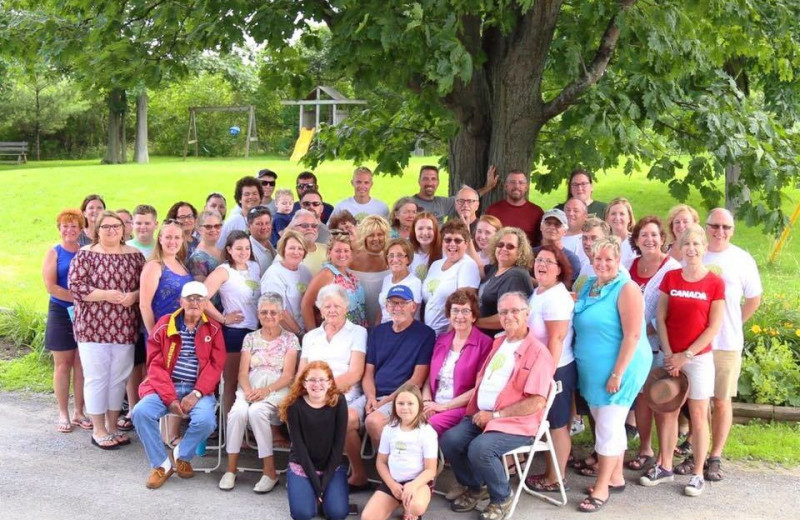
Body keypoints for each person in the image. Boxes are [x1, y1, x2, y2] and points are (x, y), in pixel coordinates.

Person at [441, 292, 554, 520]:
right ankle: (475, 486)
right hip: (483, 415)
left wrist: (495, 415)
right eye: (503, 312)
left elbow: (537, 401)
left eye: (514, 311)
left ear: (527, 313)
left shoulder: (538, 352)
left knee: (480, 450)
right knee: (449, 440)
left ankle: (501, 497)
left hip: (516, 423)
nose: (508, 316)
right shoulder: (499, 342)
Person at [572, 237, 652, 512]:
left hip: (620, 368)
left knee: (607, 425)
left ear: (618, 261)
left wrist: (617, 373)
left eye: (609, 259)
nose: (603, 263)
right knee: (610, 423)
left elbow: (632, 335)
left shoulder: (626, 288)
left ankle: (602, 488)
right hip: (593, 370)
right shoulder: (590, 286)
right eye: (598, 259)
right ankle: (616, 476)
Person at [644, 224, 725, 496]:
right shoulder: (671, 278)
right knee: (666, 413)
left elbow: (713, 327)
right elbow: (661, 318)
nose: (691, 249)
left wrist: (685, 355)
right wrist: (669, 354)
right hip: (669, 356)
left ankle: (698, 473)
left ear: (704, 248)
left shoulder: (715, 282)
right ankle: (664, 466)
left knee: (699, 416)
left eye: (696, 244)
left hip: (697, 358)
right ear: (680, 247)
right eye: (686, 244)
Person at [131, 281, 226, 489]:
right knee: (140, 412)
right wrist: (170, 398)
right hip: (166, 387)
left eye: (199, 298)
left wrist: (197, 393)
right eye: (190, 298)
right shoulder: (165, 325)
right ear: (180, 301)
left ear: (206, 303)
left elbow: (216, 365)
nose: (194, 302)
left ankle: (181, 454)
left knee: (207, 421)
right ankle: (161, 465)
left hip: (198, 390)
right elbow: (155, 365)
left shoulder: (214, 329)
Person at [68, 210, 145, 449]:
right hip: (93, 327)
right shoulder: (86, 255)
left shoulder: (135, 256)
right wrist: (106, 295)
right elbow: (76, 287)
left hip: (124, 326)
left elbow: (147, 286)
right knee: (97, 377)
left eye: (116, 226)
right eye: (106, 227)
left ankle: (113, 426)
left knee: (119, 378)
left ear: (124, 230)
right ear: (96, 230)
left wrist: (133, 296)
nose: (111, 230)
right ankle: (98, 428)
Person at [702, 208, 762, 482]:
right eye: (715, 226)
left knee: (722, 401)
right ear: (706, 226)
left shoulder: (741, 259)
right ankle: (697, 451)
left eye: (726, 227)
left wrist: (734, 322)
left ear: (733, 230)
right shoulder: (695, 252)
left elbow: (753, 299)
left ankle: (715, 455)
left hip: (726, 342)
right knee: (697, 402)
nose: (720, 232)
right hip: (696, 343)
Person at [219, 292, 300, 493]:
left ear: (282, 315)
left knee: (256, 412)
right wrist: (248, 392)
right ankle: (230, 469)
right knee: (237, 412)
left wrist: (266, 391)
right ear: (258, 314)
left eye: (274, 312)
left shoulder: (291, 340)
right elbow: (242, 373)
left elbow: (288, 376)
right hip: (250, 388)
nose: (269, 316)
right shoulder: (250, 338)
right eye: (264, 312)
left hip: (276, 389)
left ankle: (269, 472)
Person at [297, 284, 368, 489]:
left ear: (346, 306)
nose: (332, 310)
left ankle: (358, 473)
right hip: (313, 392)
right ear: (320, 309)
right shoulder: (311, 337)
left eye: (337, 305)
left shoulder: (358, 332)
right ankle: (307, 474)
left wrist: (325, 393)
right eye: (327, 306)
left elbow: (355, 373)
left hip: (347, 393)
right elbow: (302, 373)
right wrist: (308, 393)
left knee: (342, 418)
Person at [626, 216, 681, 473]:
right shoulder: (627, 265)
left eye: (654, 235)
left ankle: (664, 460)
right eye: (643, 235)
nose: (649, 240)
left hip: (662, 346)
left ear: (662, 238)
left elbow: (679, 310)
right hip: (634, 346)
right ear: (636, 240)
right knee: (641, 400)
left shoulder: (673, 269)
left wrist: (653, 328)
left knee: (662, 402)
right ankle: (645, 449)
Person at [132, 219, 194, 434]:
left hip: (182, 334)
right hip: (162, 335)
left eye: (177, 237)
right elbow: (144, 304)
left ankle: (171, 434)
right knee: (162, 383)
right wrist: (154, 336)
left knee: (177, 382)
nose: (173, 241)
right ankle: (160, 435)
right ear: (160, 238)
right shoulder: (154, 265)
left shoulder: (182, 264)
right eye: (168, 237)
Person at [362, 285, 435, 465]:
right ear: (386, 306)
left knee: (374, 421)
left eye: (403, 303)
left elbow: (416, 380)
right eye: (393, 303)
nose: (397, 307)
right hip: (373, 395)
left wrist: (385, 401)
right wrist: (371, 397)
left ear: (413, 306)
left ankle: (388, 472)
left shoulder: (425, 334)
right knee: (346, 416)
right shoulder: (378, 332)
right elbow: (368, 372)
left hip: (402, 396)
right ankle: (359, 472)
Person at [523, 245, 575, 493]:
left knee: (557, 424)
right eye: (538, 260)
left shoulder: (556, 297)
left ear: (559, 269)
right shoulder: (540, 292)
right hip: (540, 367)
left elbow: (556, 339)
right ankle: (550, 472)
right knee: (550, 423)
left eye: (548, 262)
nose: (541, 264)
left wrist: (548, 378)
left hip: (557, 369)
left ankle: (557, 478)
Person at [280, 361, 349, 520]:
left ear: (330, 382)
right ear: (304, 382)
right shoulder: (294, 406)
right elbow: (300, 449)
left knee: (337, 514)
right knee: (303, 514)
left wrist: (323, 484)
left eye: (322, 380)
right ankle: (312, 495)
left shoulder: (339, 401)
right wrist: (318, 487)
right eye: (312, 380)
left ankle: (322, 497)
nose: (317, 384)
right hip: (302, 466)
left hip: (331, 466)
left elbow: (338, 447)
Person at [42, 209, 89, 433]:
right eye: (65, 226)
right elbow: (51, 286)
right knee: (63, 365)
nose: (69, 230)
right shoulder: (54, 252)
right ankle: (63, 412)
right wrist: (77, 297)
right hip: (61, 312)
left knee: (81, 363)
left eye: (73, 226)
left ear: (81, 229)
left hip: (84, 314)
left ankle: (79, 411)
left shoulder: (85, 251)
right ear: (59, 228)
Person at [203, 230, 261, 413]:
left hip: (255, 331)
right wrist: (222, 319)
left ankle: (246, 426)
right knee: (232, 382)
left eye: (247, 248)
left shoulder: (254, 267)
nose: (243, 252)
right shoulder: (223, 271)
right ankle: (230, 431)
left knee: (251, 381)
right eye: (238, 248)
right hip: (235, 332)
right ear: (229, 249)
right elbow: (201, 297)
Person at [362, 384, 438, 520]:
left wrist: (413, 486)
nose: (405, 407)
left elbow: (430, 470)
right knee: (368, 518)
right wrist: (392, 485)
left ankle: (410, 509)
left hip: (417, 483)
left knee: (416, 506)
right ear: (394, 406)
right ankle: (397, 501)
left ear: (419, 406)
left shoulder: (427, 432)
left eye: (410, 403)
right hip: (394, 481)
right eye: (400, 403)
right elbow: (381, 462)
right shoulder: (389, 429)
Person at [422, 289, 492, 436]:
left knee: (424, 427)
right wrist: (427, 402)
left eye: (465, 311)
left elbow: (479, 388)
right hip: (434, 404)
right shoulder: (442, 340)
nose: (459, 316)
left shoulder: (485, 344)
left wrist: (443, 407)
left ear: (474, 316)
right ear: (449, 315)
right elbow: (429, 378)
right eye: (455, 311)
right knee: (405, 420)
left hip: (462, 407)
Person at [422, 220, 480, 336]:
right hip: (428, 333)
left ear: (466, 244)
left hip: (448, 334)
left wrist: (447, 338)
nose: (452, 244)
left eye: (458, 240)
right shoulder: (436, 265)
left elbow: (463, 306)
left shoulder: (467, 265)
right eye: (448, 240)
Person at [475, 227, 534, 337]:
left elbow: (507, 317)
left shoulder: (516, 275)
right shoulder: (496, 268)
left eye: (510, 246)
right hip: (481, 335)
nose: (504, 249)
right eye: (500, 245)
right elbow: (479, 268)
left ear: (519, 253)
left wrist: (474, 322)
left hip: (496, 339)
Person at [301, 233, 367, 329]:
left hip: (358, 332)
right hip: (337, 334)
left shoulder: (350, 274)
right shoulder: (327, 274)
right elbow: (306, 305)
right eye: (338, 251)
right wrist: (313, 335)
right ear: (329, 252)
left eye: (346, 251)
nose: (342, 254)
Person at [261, 230, 312, 336]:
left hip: (305, 331)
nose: (296, 252)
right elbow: (279, 312)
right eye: (292, 248)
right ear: (283, 250)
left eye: (300, 248)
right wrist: (299, 333)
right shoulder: (274, 274)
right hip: (284, 335)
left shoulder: (305, 271)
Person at [411, 165, 497, 224]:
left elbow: (467, 197)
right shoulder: (409, 203)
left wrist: (488, 187)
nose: (430, 183)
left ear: (438, 182)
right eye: (425, 178)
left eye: (433, 179)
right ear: (419, 181)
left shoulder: (442, 202)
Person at [485, 169, 544, 248]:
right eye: (512, 182)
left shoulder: (537, 212)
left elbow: (542, 241)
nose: (516, 186)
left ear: (526, 187)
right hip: (498, 256)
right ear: (506, 186)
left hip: (527, 258)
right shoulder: (493, 210)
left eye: (521, 183)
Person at [350, 215, 391, 326]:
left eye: (380, 234)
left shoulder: (393, 259)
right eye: (371, 235)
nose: (376, 239)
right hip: (358, 320)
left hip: (386, 320)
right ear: (364, 237)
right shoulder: (352, 259)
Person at [377, 238, 422, 323]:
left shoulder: (414, 283)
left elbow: (409, 316)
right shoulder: (386, 279)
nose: (395, 259)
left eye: (400, 255)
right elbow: (382, 309)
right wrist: (376, 330)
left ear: (408, 259)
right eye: (391, 255)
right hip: (384, 329)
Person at [534, 209, 581, 286]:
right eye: (548, 223)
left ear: (565, 231)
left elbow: (568, 288)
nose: (552, 227)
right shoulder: (530, 254)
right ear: (541, 227)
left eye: (557, 224)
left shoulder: (572, 259)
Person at [217, 176, 264, 249]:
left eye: (254, 194)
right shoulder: (233, 221)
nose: (251, 197)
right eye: (247, 194)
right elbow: (219, 247)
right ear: (239, 199)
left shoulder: (265, 220)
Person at [573, 217, 614, 293]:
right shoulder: (585, 265)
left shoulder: (612, 270)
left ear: (606, 240)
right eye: (584, 238)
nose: (588, 243)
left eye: (594, 238)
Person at [286, 209, 328, 275]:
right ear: (293, 229)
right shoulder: (286, 254)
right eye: (304, 225)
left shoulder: (328, 250)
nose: (310, 228)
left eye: (314, 226)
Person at [186, 210, 223, 283]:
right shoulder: (197, 259)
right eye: (208, 227)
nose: (213, 230)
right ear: (199, 229)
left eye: (217, 226)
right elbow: (202, 290)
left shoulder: (222, 249)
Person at [604, 197, 637, 268]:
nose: (617, 218)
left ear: (629, 218)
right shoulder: (602, 243)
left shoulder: (636, 243)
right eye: (613, 214)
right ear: (607, 218)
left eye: (622, 214)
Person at [409, 211, 441, 280]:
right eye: (420, 228)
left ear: (435, 231)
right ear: (414, 231)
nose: (425, 233)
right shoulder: (408, 253)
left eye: (429, 228)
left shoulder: (445, 252)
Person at [247, 205, 276, 276]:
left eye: (267, 223)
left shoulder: (270, 246)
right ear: (248, 226)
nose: (264, 227)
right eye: (259, 224)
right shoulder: (249, 252)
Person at [561, 198, 588, 263]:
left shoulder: (587, 241)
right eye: (568, 210)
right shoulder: (554, 236)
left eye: (576, 211)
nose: (571, 213)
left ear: (585, 216)